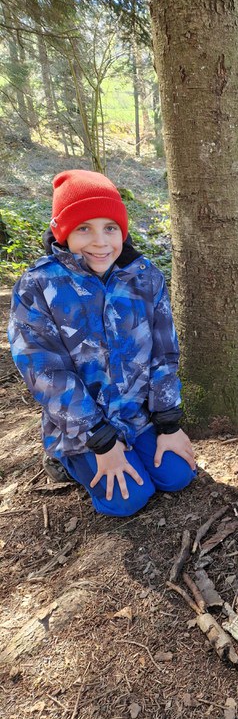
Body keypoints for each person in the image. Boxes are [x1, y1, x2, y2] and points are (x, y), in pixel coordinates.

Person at [8, 169, 197, 516]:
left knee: (178, 475)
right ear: (62, 232)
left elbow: (164, 352)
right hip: (82, 428)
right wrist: (101, 441)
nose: (100, 242)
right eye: (84, 228)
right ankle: (65, 462)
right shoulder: (37, 287)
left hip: (136, 416)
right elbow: (46, 374)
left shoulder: (145, 277)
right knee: (128, 500)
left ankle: (136, 450)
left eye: (110, 228)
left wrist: (169, 424)